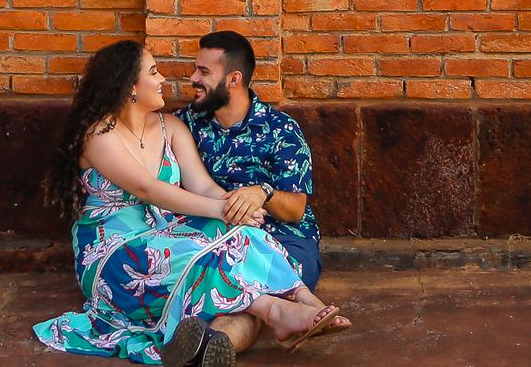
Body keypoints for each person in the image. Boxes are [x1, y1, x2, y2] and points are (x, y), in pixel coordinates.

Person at [34, 40, 346, 367]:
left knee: (240, 232)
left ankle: (301, 299)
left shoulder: (172, 126)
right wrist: (220, 210)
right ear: (130, 88)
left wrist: (238, 208)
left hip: (166, 234)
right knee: (205, 251)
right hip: (113, 250)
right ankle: (277, 311)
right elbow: (148, 188)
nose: (164, 80)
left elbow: (204, 187)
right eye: (153, 72)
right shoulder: (99, 134)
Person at [181, 31, 325, 292]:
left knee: (267, 280)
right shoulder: (186, 123)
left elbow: (296, 209)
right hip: (213, 232)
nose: (193, 79)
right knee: (216, 277)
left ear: (233, 79)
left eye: (203, 72)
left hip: (282, 235)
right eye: (195, 70)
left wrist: (263, 194)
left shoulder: (280, 130)